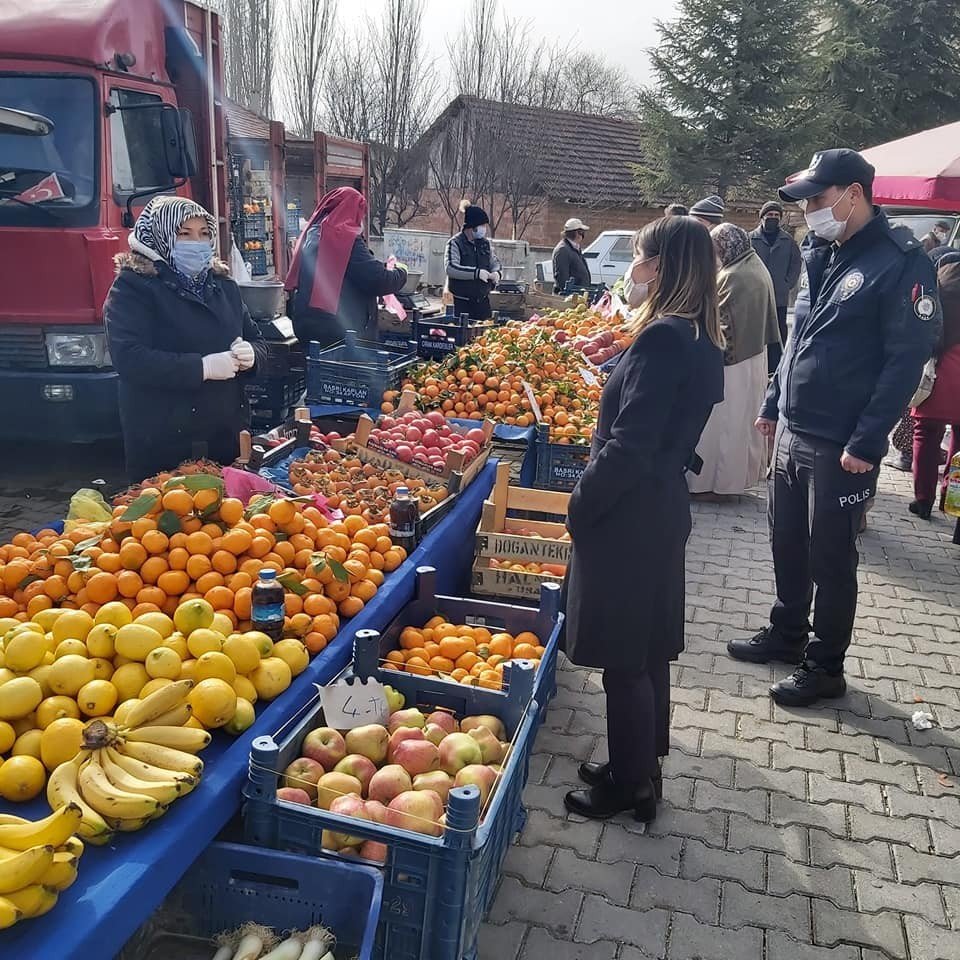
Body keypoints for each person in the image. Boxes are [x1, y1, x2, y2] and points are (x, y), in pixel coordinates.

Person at [727, 148, 940, 707]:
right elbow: (798, 337)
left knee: (831, 555)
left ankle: (825, 665)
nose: (809, 213)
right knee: (786, 541)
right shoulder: (822, 249)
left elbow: (905, 361)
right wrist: (773, 402)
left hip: (842, 441)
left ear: (853, 194)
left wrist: (868, 440)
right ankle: (787, 631)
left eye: (818, 200)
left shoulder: (900, 260)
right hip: (795, 427)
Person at [561, 216, 724, 822]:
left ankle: (629, 788)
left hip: (629, 511)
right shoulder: (700, 337)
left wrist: (583, 503)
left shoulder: (663, 338)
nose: (632, 268)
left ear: (659, 267)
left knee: (624, 658)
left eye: (638, 257)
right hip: (661, 506)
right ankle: (640, 762)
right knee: (648, 646)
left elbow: (630, 445)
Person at [105, 195, 267, 481]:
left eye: (204, 234)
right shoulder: (133, 288)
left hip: (225, 438)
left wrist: (252, 355)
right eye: (184, 234)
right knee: (168, 521)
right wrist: (201, 367)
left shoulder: (223, 286)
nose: (197, 243)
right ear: (161, 236)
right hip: (165, 441)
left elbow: (256, 339)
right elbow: (129, 358)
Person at [688, 224, 780, 498]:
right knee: (737, 423)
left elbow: (723, 323)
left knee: (723, 425)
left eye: (716, 250)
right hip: (750, 357)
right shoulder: (752, 263)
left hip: (733, 363)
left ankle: (712, 484)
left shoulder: (736, 276)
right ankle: (729, 482)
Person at [286, 187, 407, 348]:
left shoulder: (312, 234)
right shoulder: (345, 238)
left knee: (316, 370)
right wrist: (401, 271)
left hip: (308, 326)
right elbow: (378, 280)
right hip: (340, 332)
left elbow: (352, 270)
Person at [911, 252, 960, 518]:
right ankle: (951, 500)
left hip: (938, 377)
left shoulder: (937, 291)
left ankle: (923, 500)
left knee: (926, 437)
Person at [750, 200, 802, 371]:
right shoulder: (750, 239)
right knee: (756, 332)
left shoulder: (788, 241)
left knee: (778, 333)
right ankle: (757, 365)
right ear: (762, 217)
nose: (772, 218)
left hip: (779, 296)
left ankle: (776, 368)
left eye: (776, 216)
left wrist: (787, 283)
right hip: (756, 296)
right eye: (769, 215)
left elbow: (795, 264)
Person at [445, 200, 501, 320]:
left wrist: (497, 273)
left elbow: (495, 262)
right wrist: (476, 273)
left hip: (483, 301)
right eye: (482, 226)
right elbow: (451, 268)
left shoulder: (485, 244)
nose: (484, 229)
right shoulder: (455, 243)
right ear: (472, 227)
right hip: (462, 302)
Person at [552, 218, 591, 293]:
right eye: (581, 232)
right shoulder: (562, 250)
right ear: (577, 233)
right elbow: (562, 278)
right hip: (569, 297)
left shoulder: (574, 248)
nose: (583, 235)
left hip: (579, 295)